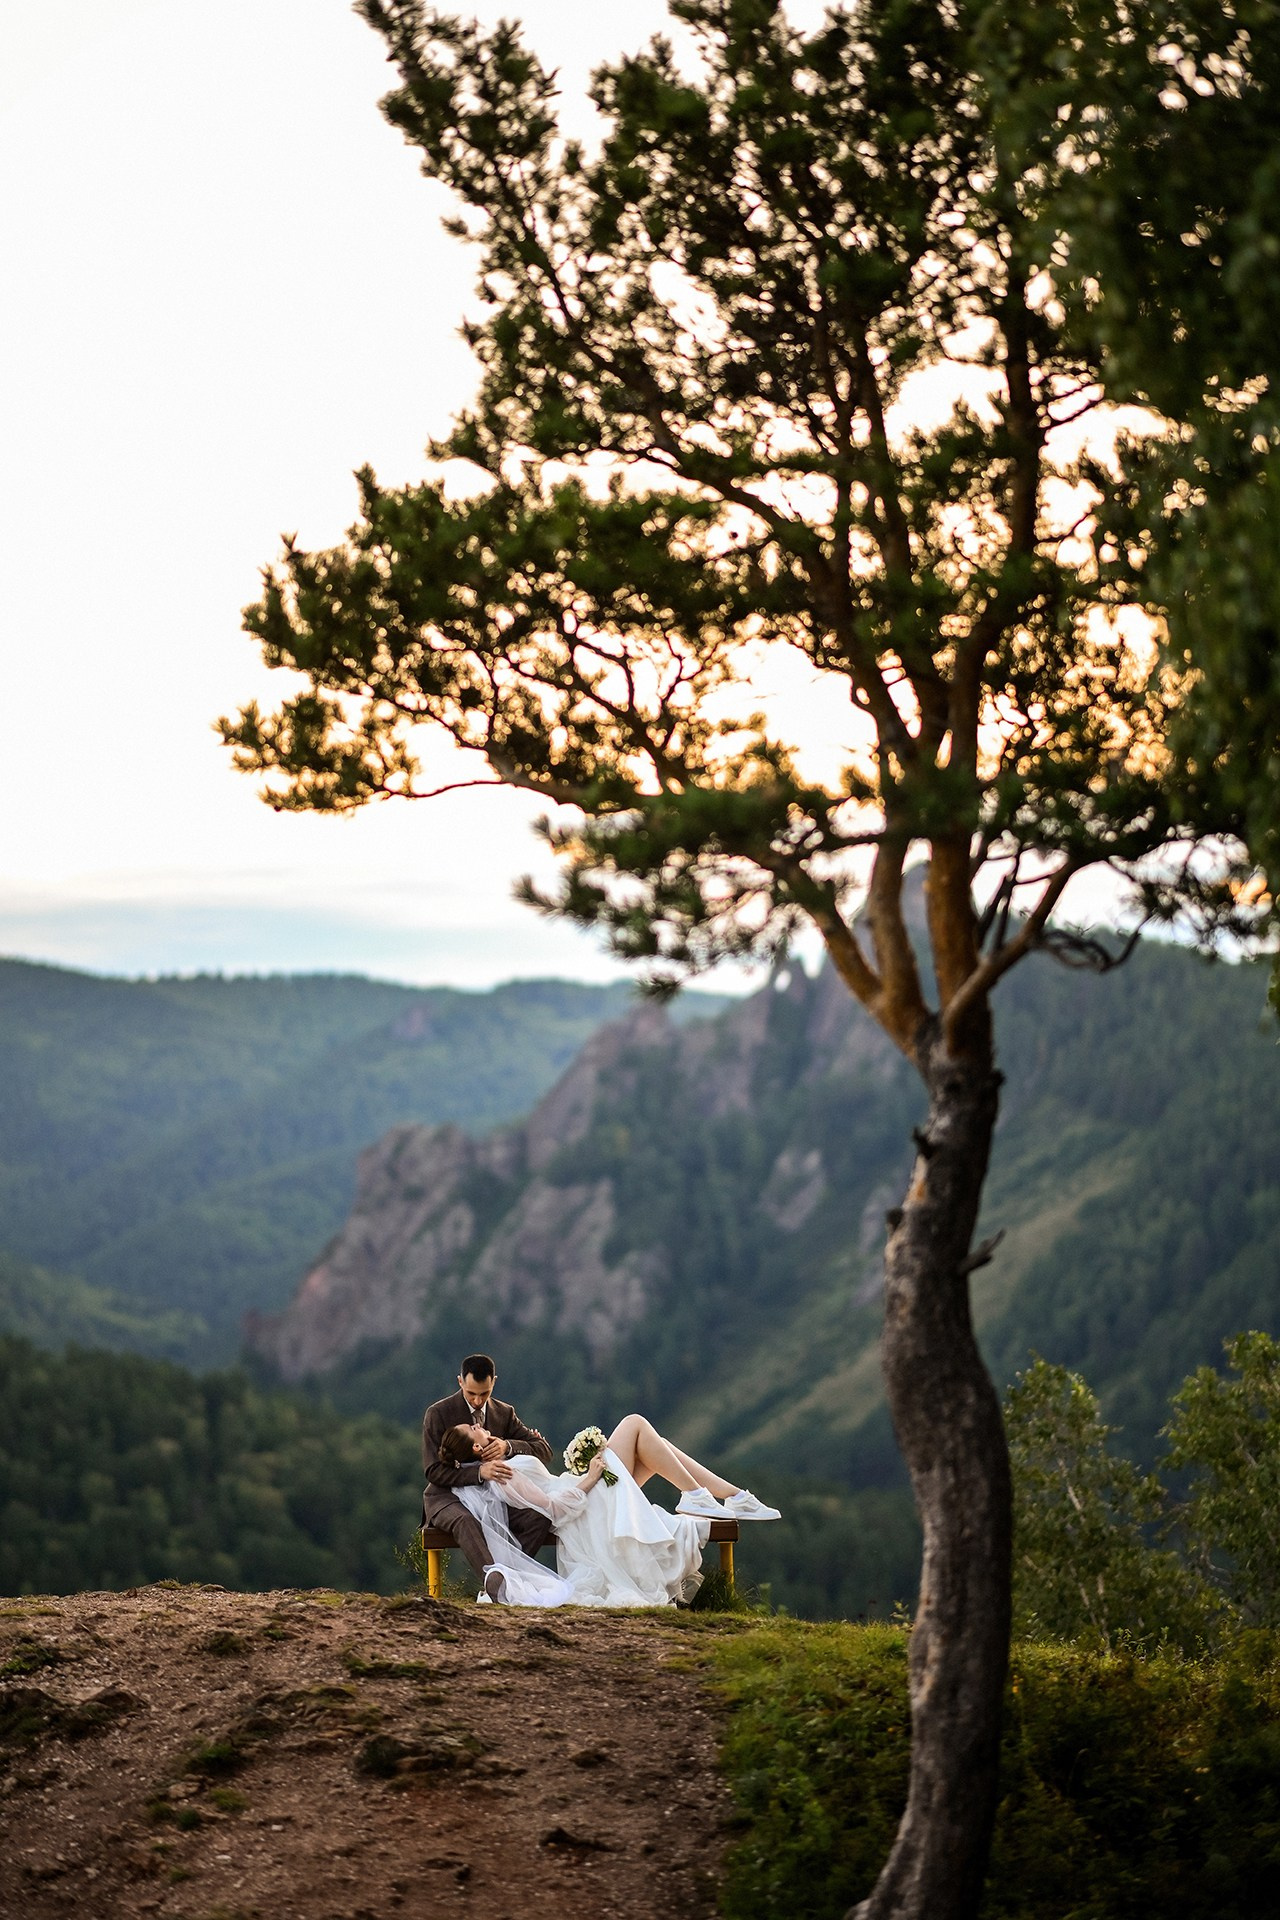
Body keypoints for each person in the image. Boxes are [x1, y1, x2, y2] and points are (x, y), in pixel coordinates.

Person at [436, 1411, 781, 1608]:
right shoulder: (502, 1475)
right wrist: (590, 1477)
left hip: (582, 1492)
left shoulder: (503, 1459)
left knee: (658, 1446)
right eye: (474, 1429)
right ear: (479, 1449)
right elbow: (554, 1509)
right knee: (634, 1424)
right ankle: (702, 1495)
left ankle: (730, 1496)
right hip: (582, 1506)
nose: (479, 1424)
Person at [421, 1353, 554, 1589]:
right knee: (466, 1521)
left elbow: (544, 1451)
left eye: (484, 1393)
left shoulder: (504, 1413)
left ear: (494, 1382)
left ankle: (513, 1581)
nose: (477, 1401)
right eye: (471, 1393)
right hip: (447, 1498)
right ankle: (494, 1583)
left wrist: (508, 1446)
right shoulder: (438, 1413)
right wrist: (480, 1472)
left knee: (540, 1517)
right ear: (460, 1382)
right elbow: (433, 1471)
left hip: (496, 1499)